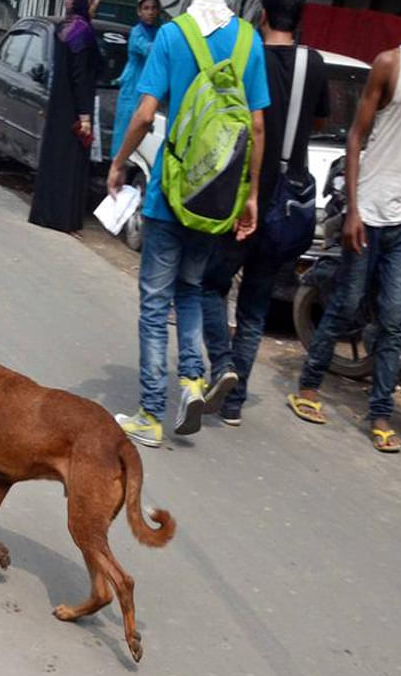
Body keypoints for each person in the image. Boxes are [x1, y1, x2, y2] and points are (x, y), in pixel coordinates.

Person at [106, 0, 269, 447]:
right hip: (216, 198)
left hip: (171, 191)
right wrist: (250, 194)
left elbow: (144, 114)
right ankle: (193, 382)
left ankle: (151, 413)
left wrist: (119, 163)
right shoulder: (248, 41)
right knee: (191, 289)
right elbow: (256, 125)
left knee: (155, 304)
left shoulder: (173, 35)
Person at [288, 0, 401, 453]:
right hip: (370, 208)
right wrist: (356, 208)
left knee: (392, 316)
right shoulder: (389, 64)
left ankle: (381, 413)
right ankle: (308, 386)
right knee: (346, 304)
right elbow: (356, 137)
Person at [199, 0, 330, 426]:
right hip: (287, 203)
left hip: (246, 193)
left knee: (211, 285)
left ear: (264, 16)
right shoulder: (314, 63)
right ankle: (235, 403)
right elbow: (317, 122)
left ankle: (222, 366)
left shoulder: (247, 53)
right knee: (255, 303)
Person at [28, 0, 102, 234]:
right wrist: (85, 117)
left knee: (55, 159)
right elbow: (80, 75)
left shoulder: (66, 27)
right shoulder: (82, 32)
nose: (96, 5)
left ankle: (46, 213)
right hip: (73, 109)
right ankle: (63, 218)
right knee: (70, 163)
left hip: (59, 106)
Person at [111, 0, 160, 161]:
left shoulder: (159, 32)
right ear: (139, 12)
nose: (150, 12)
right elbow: (148, 49)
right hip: (133, 85)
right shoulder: (137, 32)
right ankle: (118, 164)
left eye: (153, 8)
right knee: (125, 129)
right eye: (146, 8)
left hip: (149, 85)